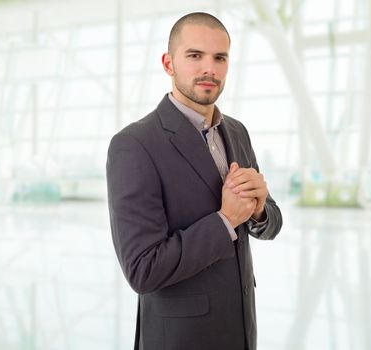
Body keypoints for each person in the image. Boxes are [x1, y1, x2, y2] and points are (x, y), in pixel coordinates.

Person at [106, 12, 282, 350]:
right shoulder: (135, 144)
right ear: (168, 64)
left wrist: (260, 211)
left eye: (220, 58)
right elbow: (143, 269)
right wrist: (226, 219)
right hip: (179, 340)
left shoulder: (237, 132)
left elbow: (270, 223)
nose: (209, 69)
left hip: (241, 332)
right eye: (195, 56)